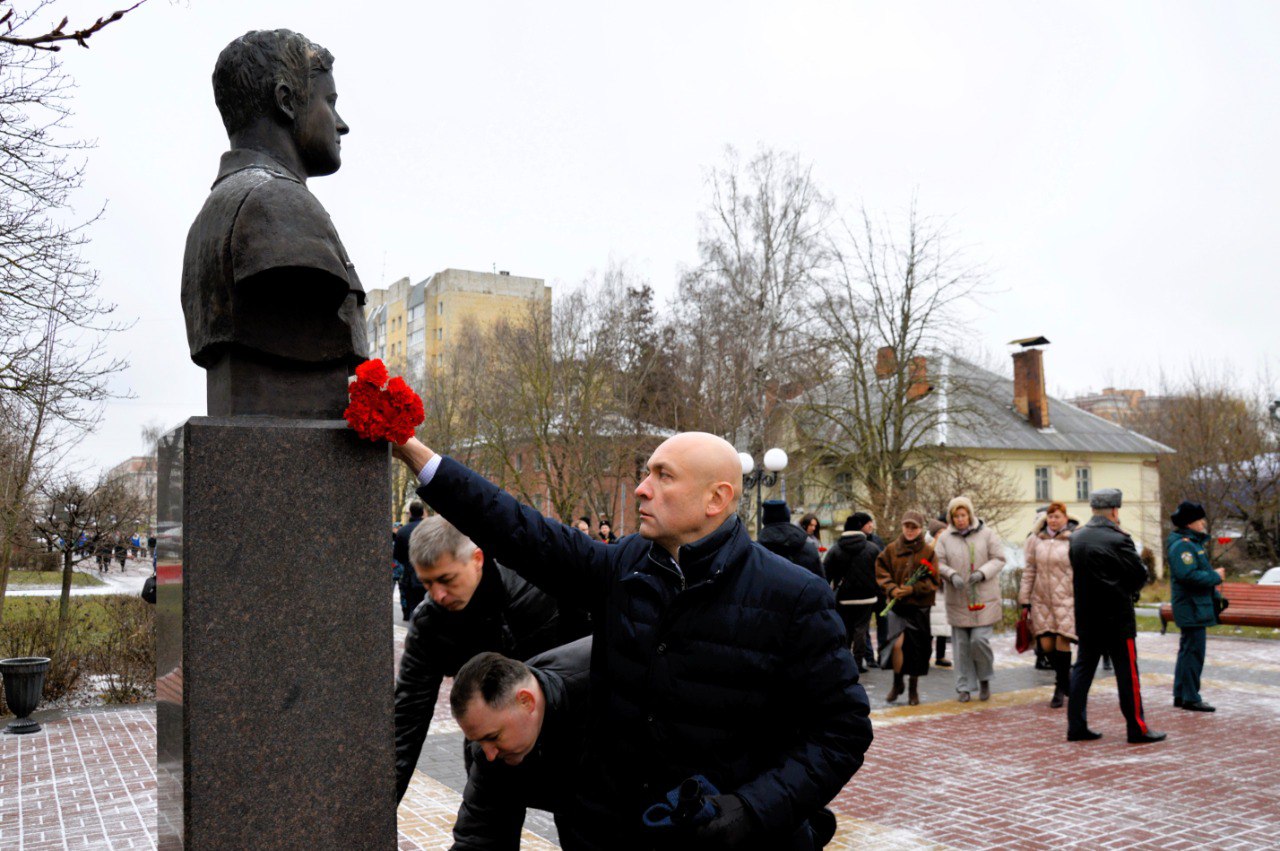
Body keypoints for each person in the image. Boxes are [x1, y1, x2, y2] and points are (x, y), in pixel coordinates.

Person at [393, 431, 871, 850]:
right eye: (647, 473)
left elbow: (842, 732)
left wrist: (753, 808)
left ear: (715, 498)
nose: (642, 488)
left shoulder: (794, 595)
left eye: (663, 476)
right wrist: (416, 454)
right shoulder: (622, 566)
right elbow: (519, 531)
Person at [393, 516, 587, 803]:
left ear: (477, 558)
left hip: (568, 742)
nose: (438, 595)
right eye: (427, 583)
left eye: (446, 579)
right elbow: (408, 715)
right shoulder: (430, 624)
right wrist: (377, 813)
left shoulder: (535, 586)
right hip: (491, 746)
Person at [449, 637, 592, 849]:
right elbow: (480, 837)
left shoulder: (607, 680)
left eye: (493, 737)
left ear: (526, 701)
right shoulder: (491, 752)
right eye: (478, 741)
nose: (489, 753)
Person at [1066, 488, 1165, 744]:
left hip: (1087, 615)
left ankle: (1076, 725)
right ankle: (1137, 727)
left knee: (1082, 670)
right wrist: (1127, 587)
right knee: (1127, 673)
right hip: (1117, 616)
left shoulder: (1076, 538)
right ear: (1114, 510)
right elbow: (1139, 574)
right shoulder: (1119, 539)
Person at [934, 497, 1005, 703]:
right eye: (956, 516)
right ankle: (963, 687)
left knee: (979, 641)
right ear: (951, 517)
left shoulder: (987, 534)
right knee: (961, 646)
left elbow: (999, 558)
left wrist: (983, 572)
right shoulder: (945, 538)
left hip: (983, 598)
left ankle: (984, 679)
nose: (960, 519)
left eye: (963, 515)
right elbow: (937, 562)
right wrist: (950, 574)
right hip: (958, 599)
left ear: (970, 515)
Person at [875, 510, 937, 706]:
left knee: (916, 649)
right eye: (907, 526)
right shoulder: (892, 549)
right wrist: (891, 588)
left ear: (920, 529)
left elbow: (934, 579)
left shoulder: (928, 551)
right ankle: (897, 682)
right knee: (896, 645)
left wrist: (913, 588)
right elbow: (881, 570)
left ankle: (913, 688)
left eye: (914, 527)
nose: (910, 531)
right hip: (898, 607)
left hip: (919, 607)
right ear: (902, 526)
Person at [1019, 502, 1078, 708]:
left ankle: (1060, 688)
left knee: (1063, 640)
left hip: (1066, 598)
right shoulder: (1036, 540)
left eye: (1058, 516)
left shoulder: (1074, 539)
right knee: (1046, 644)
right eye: (1050, 516)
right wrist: (1024, 599)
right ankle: (1065, 679)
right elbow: (1029, 570)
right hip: (1042, 599)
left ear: (1066, 518)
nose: (1053, 520)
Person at [1167, 500, 1223, 713]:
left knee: (1187, 650)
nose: (1203, 522)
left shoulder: (1191, 542)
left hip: (1193, 605)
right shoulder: (1184, 545)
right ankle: (1191, 696)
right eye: (1200, 519)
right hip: (1191, 607)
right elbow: (1188, 575)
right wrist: (1214, 576)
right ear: (1190, 523)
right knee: (1193, 652)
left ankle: (1181, 694)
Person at [823, 514, 883, 673]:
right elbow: (882, 573)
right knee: (861, 630)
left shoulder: (835, 550)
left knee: (846, 630)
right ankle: (857, 663)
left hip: (843, 597)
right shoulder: (872, 548)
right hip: (867, 597)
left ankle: (845, 662)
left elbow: (825, 574)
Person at [757, 500, 824, 578]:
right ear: (787, 517)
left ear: (764, 520)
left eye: (815, 526)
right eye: (811, 525)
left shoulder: (754, 553)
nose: (813, 528)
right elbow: (822, 584)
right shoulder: (809, 549)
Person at [926, 515, 951, 668]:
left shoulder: (947, 545)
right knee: (928, 626)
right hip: (931, 591)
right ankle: (926, 655)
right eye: (940, 532)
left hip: (944, 590)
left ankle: (940, 656)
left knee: (942, 625)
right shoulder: (927, 547)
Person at [394, 501, 426, 621]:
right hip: (429, 571)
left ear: (410, 513)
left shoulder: (402, 531)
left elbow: (397, 555)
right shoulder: (429, 529)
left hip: (410, 574)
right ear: (422, 512)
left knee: (414, 606)